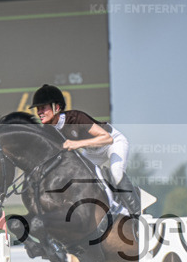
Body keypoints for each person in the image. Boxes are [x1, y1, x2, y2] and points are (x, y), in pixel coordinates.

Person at [29, 84, 141, 216]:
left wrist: (77, 144)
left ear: (57, 107)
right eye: (38, 109)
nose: (39, 112)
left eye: (43, 108)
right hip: (92, 151)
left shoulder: (76, 118)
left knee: (116, 173)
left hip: (113, 143)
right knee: (82, 179)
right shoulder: (49, 130)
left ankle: (138, 216)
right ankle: (114, 208)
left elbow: (107, 139)